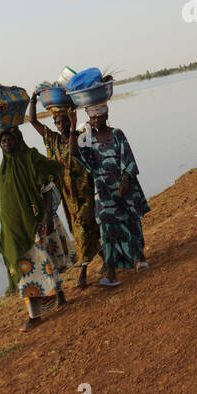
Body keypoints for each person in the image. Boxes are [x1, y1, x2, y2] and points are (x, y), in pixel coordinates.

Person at [0, 126, 77, 330]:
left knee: (39, 264)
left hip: (37, 222)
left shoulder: (30, 158)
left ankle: (35, 316)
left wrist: (47, 215)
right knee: (33, 265)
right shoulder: (5, 167)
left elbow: (47, 187)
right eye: (2, 141)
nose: (6, 144)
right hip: (16, 230)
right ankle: (57, 299)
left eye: (9, 140)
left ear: (18, 139)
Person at [27, 95, 100, 288]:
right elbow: (32, 120)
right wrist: (33, 101)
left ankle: (83, 272)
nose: (60, 125)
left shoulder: (81, 136)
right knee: (83, 229)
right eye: (57, 122)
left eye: (64, 121)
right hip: (68, 198)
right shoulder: (52, 140)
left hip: (84, 192)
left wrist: (74, 123)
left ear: (70, 120)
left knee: (83, 227)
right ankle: (107, 258)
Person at [72, 103, 149, 285]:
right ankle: (112, 274)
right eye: (92, 118)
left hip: (124, 187)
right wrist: (73, 125)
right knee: (106, 230)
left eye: (99, 116)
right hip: (103, 191)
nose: (96, 120)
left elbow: (129, 160)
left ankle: (139, 258)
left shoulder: (117, 134)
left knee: (130, 222)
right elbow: (75, 152)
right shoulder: (87, 138)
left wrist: (125, 181)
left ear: (106, 115)